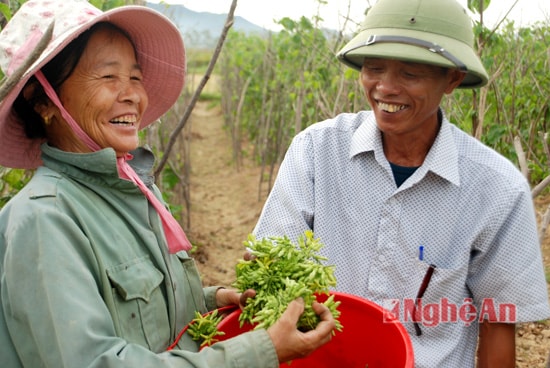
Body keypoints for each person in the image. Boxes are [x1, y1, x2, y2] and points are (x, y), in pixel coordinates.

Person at [0, 0, 336, 367]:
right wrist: (260, 351)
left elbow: (139, 318)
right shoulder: (43, 220)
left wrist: (210, 300)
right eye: (108, 77)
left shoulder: (133, 188)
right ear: (42, 101)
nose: (131, 94)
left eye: (135, 77)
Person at [253, 0, 550, 366]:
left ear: (452, 79)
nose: (385, 88)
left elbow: (497, 321)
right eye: (374, 68)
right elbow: (269, 265)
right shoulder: (317, 150)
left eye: (410, 74)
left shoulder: (496, 189)